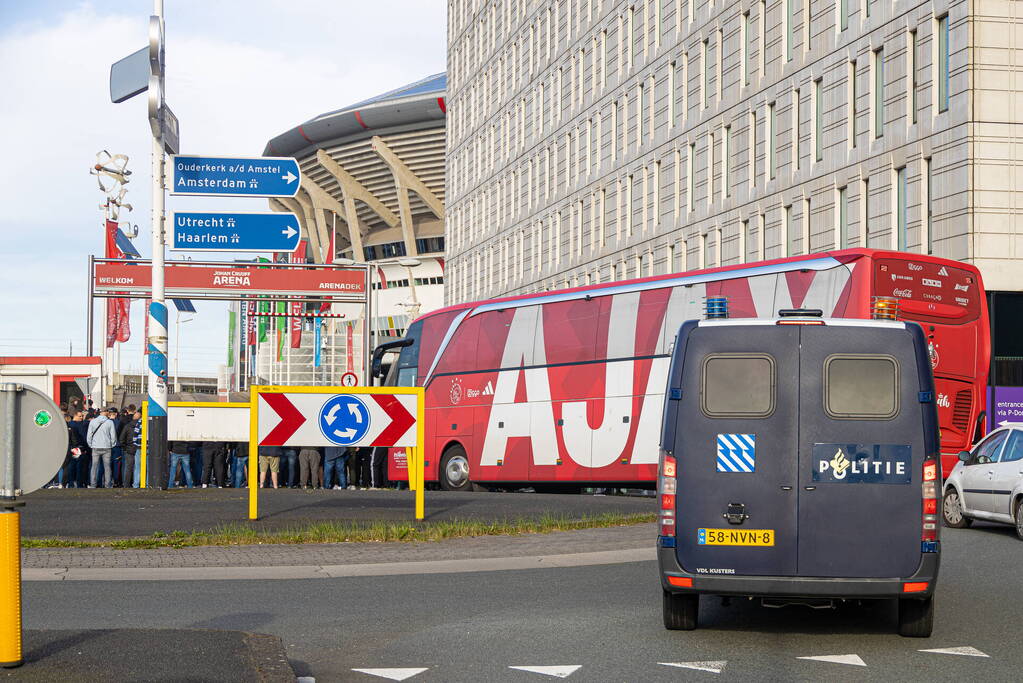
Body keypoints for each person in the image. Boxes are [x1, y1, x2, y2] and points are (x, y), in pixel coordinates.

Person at [86, 406, 118, 488]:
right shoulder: (110, 422)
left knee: (94, 467)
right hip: (107, 447)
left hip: (95, 447)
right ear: (106, 412)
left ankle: (93, 484)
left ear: (100, 412)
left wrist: (91, 444)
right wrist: (112, 444)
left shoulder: (93, 422)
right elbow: (113, 436)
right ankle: (107, 484)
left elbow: (89, 435)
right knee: (107, 467)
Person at [118, 410, 142, 488]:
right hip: (140, 448)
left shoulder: (127, 426)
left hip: (129, 450)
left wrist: (126, 448)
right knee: (138, 468)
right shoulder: (143, 426)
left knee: (128, 468)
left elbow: (121, 439)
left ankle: (126, 484)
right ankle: (138, 484)